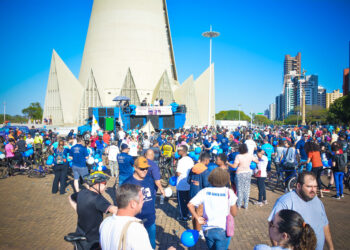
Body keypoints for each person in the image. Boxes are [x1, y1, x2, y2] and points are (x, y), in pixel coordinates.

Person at [268, 172, 334, 250]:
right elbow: (272, 227)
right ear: (299, 186)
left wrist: (331, 247)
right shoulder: (285, 202)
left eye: (315, 187)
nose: (313, 190)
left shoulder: (318, 201)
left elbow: (325, 225)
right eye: (309, 186)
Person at [188, 168, 238, 250]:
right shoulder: (229, 192)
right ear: (226, 179)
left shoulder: (205, 191)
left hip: (208, 230)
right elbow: (234, 213)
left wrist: (197, 218)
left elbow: (190, 205)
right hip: (223, 230)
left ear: (210, 179)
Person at [69, 171, 118, 249]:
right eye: (104, 183)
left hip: (80, 232)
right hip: (93, 238)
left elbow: (70, 197)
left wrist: (78, 209)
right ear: (96, 184)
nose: (105, 186)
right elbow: (115, 210)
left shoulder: (82, 192)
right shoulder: (97, 199)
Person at [99, 184, 153, 250]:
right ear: (133, 204)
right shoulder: (135, 229)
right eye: (142, 200)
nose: (143, 202)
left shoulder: (105, 222)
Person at [123, 157, 157, 249]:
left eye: (146, 168)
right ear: (135, 167)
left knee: (151, 245)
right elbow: (124, 206)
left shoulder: (149, 179)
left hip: (150, 220)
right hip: (135, 222)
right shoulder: (127, 183)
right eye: (142, 168)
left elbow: (152, 197)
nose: (145, 170)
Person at [187, 152, 211, 238]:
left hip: (192, 193)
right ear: (207, 160)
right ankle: (198, 232)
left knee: (194, 214)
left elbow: (188, 181)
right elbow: (206, 185)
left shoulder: (192, 168)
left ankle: (195, 230)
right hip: (201, 196)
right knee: (199, 214)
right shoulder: (206, 171)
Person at [231, 143, 259, 209]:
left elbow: (234, 166)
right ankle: (246, 205)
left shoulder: (238, 156)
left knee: (239, 189)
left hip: (239, 173)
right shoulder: (250, 155)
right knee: (247, 189)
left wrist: (228, 163)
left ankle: (239, 204)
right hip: (248, 173)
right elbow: (257, 161)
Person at [176, 145, 194, 221]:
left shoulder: (181, 161)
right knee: (189, 200)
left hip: (181, 184)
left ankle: (183, 216)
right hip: (189, 183)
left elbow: (178, 173)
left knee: (182, 202)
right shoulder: (191, 159)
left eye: (178, 150)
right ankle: (189, 215)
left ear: (182, 151)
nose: (177, 151)